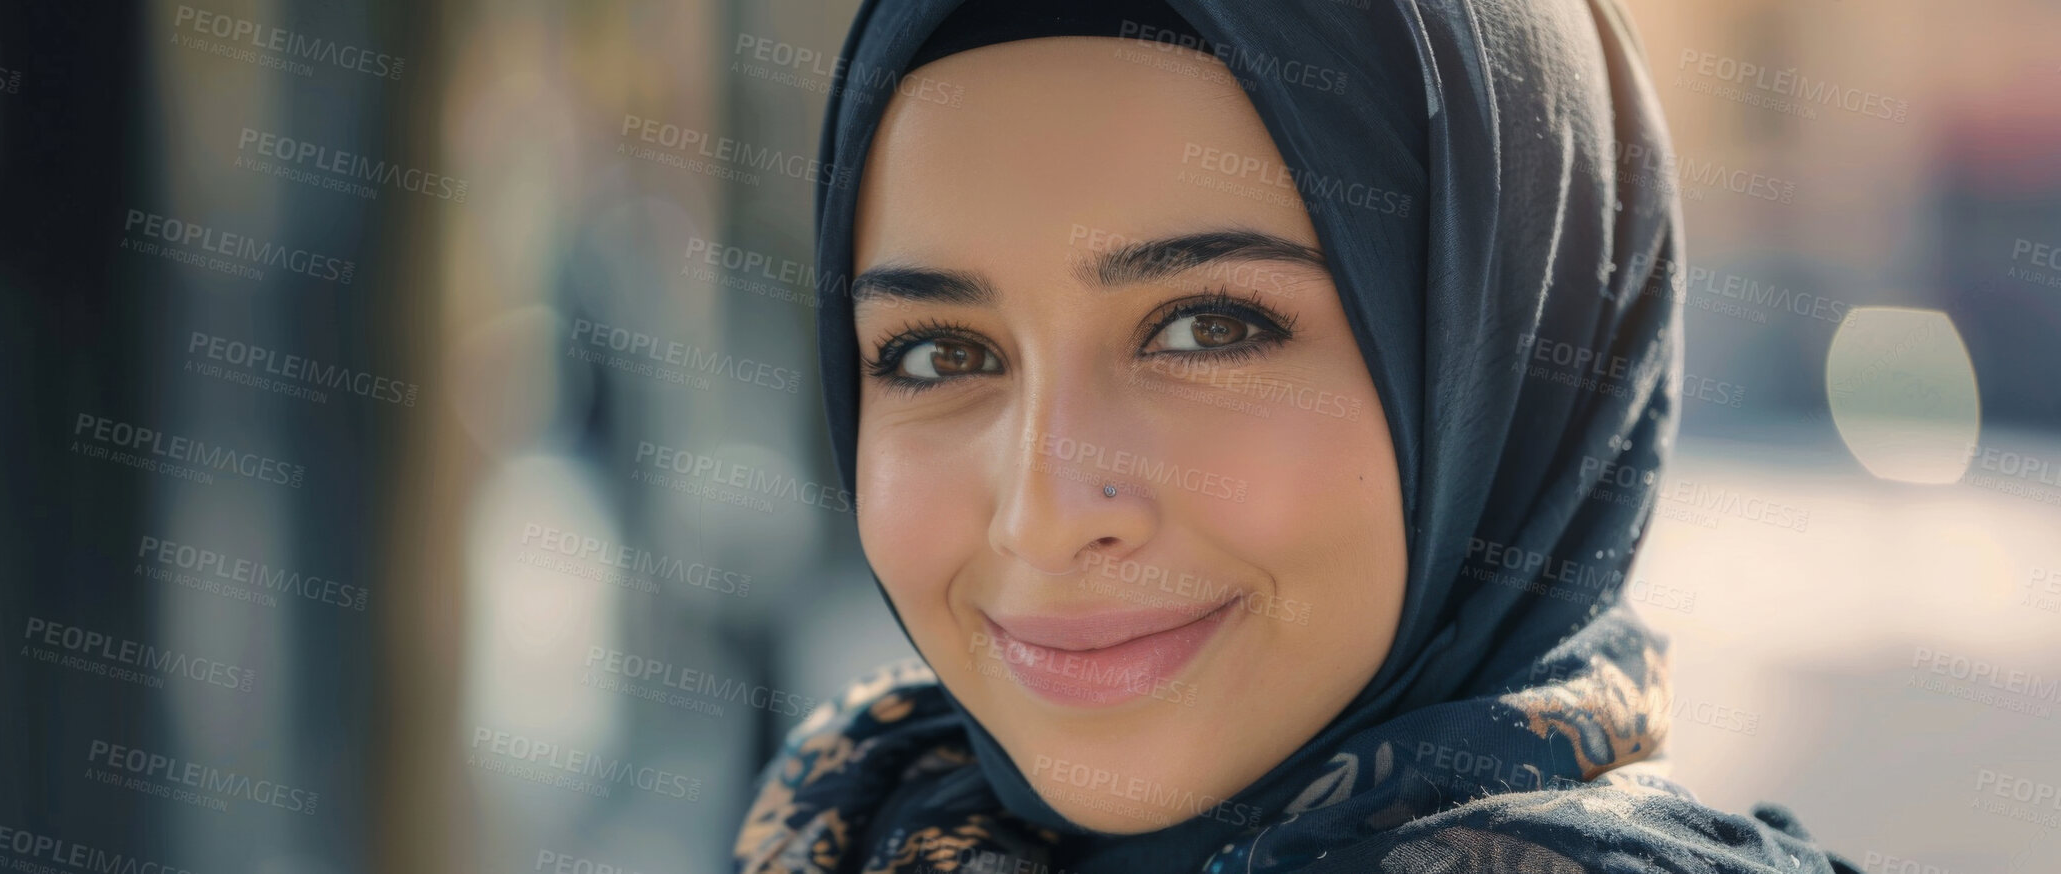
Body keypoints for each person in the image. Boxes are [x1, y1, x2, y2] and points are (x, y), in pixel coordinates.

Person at [736, 0, 1860, 871]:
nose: (1041, 513)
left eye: (1207, 328)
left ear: (1510, 359)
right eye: (941, 354)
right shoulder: (846, 818)